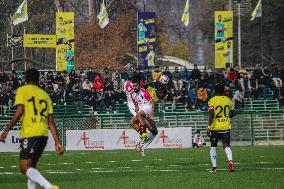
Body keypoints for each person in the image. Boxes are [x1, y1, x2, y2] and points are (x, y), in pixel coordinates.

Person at [0, 69, 64, 189]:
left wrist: (6, 130)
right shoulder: (45, 95)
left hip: (31, 133)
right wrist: (57, 142)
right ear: (38, 79)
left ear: (25, 78)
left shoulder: (22, 90)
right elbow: (51, 122)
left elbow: (20, 111)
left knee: (24, 167)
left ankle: (49, 187)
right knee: (31, 167)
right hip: (43, 134)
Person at [207, 83, 236, 173]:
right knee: (226, 145)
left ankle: (215, 168)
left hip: (215, 127)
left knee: (213, 146)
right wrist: (227, 116)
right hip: (225, 126)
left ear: (215, 91)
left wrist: (209, 126)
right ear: (223, 90)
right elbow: (233, 113)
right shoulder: (228, 100)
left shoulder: (212, 100)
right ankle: (230, 161)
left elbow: (211, 114)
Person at [131, 80, 158, 156]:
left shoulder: (144, 92)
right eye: (133, 86)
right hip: (141, 110)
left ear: (139, 85)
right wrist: (136, 108)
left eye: (136, 86)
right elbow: (136, 104)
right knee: (132, 122)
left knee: (153, 131)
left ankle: (143, 136)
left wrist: (152, 113)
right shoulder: (133, 95)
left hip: (148, 108)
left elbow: (152, 102)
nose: (134, 87)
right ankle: (142, 139)